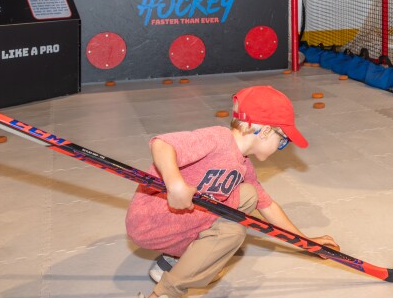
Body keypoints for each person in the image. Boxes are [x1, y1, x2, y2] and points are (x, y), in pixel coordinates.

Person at [125, 85, 336, 298]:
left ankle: (175, 262)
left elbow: (268, 206)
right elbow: (162, 144)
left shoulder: (244, 166)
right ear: (264, 131)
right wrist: (175, 184)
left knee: (249, 195)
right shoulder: (218, 138)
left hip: (180, 221)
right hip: (154, 219)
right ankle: (165, 294)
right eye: (282, 141)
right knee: (233, 233)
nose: (281, 147)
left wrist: (307, 243)